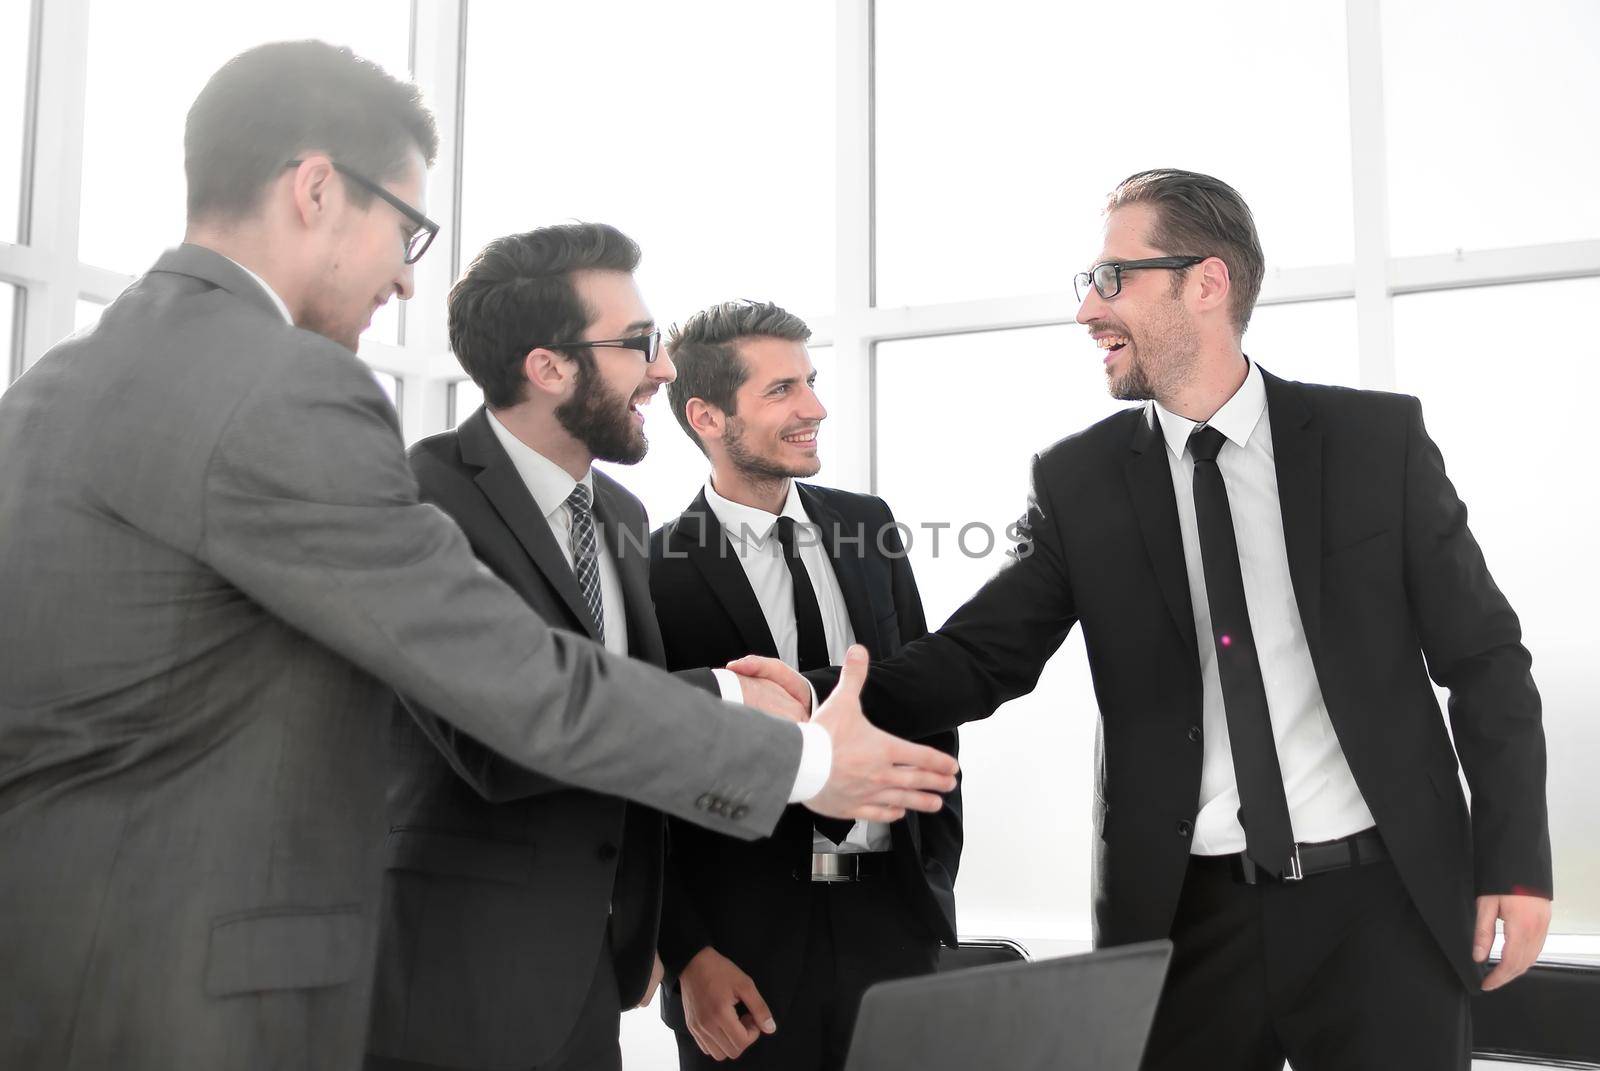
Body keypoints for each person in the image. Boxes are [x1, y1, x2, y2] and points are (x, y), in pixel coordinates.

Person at [0, 42, 957, 1071]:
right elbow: (510, 689)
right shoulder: (285, 388)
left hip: (76, 966)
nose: (408, 276)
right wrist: (803, 756)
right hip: (203, 1003)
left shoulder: (54, 387)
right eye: (405, 228)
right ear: (316, 190)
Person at [732, 169, 1551, 1069]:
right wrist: (806, 699)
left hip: (1383, 911)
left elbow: (1486, 660)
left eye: (1112, 278)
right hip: (1186, 924)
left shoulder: (1374, 444)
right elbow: (980, 656)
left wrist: (1514, 860)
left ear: (1207, 283)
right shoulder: (1079, 481)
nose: (1087, 309)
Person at [366, 225, 812, 1071]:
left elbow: (629, 748)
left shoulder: (622, 517)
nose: (665, 368)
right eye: (639, 343)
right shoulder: (420, 500)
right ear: (549, 366)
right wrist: (720, 694)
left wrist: (651, 926)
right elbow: (499, 737)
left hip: (590, 982)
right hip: (451, 984)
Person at [649, 301, 962, 1070]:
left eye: (812, 382)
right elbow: (641, 779)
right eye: (782, 389)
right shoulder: (652, 570)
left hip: (892, 921)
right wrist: (687, 956)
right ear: (707, 415)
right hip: (741, 951)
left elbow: (928, 695)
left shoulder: (870, 526)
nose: (815, 407)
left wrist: (933, 877)